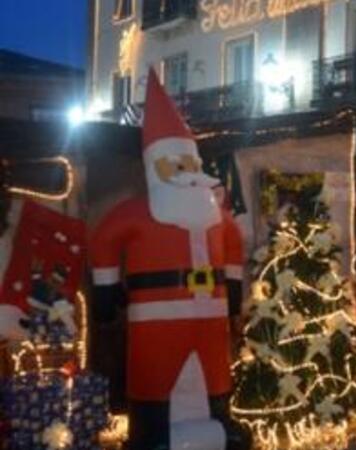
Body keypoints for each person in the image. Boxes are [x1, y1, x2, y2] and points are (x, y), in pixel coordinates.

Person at [90, 69, 248, 450]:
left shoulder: (216, 214)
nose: (188, 174)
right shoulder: (137, 212)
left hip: (209, 316)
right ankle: (150, 432)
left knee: (213, 370)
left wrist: (233, 287)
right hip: (155, 316)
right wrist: (106, 290)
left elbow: (233, 242)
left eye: (191, 165)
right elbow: (105, 238)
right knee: (157, 374)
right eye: (175, 165)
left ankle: (219, 419)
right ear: (154, 168)